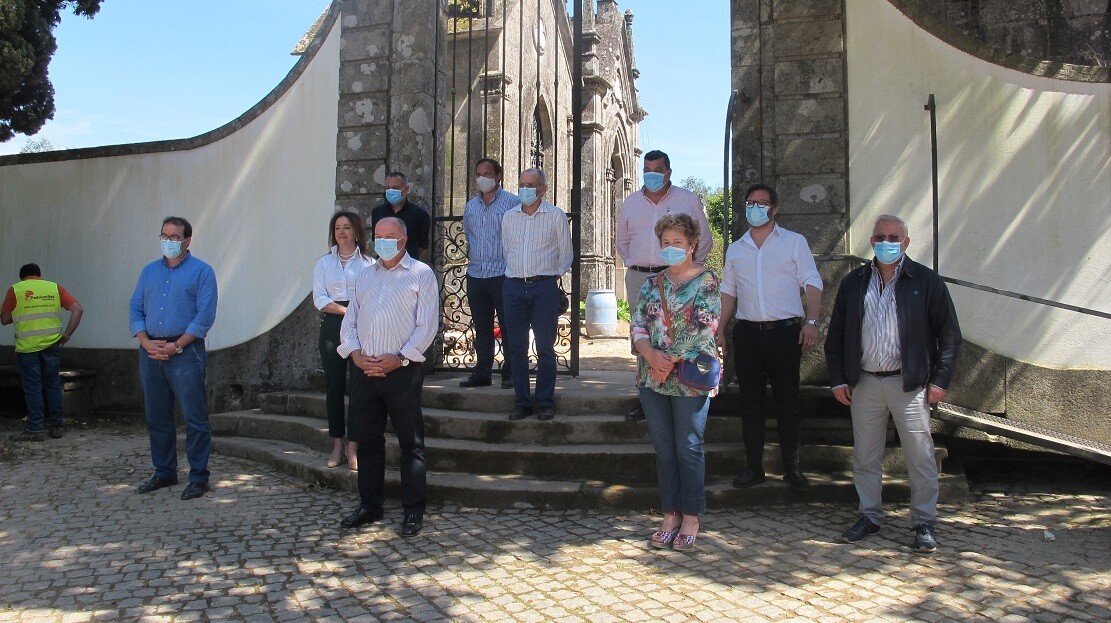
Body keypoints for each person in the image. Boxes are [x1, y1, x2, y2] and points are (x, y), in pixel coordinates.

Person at [825, 215, 962, 552]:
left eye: (894, 237)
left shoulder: (926, 281)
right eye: (881, 237)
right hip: (865, 383)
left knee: (920, 456)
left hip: (909, 384)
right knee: (865, 456)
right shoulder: (854, 282)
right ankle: (869, 516)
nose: (887, 242)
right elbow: (837, 334)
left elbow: (949, 335)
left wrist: (940, 380)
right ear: (872, 242)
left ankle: (924, 522)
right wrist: (838, 378)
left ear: (906, 243)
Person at [717, 183, 822, 492]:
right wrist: (720, 329)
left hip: (785, 334)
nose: (755, 208)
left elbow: (812, 281)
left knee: (788, 402)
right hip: (748, 334)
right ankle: (754, 468)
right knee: (750, 404)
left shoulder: (794, 242)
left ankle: (792, 468)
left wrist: (812, 322)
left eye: (762, 203)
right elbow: (728, 292)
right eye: (750, 202)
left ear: (774, 208)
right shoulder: (736, 249)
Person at [338, 216, 438, 538]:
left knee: (411, 443)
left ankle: (413, 510)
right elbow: (350, 323)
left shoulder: (421, 275)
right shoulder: (365, 276)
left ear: (403, 240)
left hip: (402, 371)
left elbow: (427, 326)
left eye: (389, 236)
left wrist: (400, 358)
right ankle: (370, 505)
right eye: (378, 235)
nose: (381, 241)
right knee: (368, 441)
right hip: (366, 370)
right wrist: (355, 354)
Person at [631, 213, 721, 550]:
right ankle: (670, 513)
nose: (671, 248)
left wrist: (666, 360)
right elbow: (638, 323)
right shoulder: (651, 284)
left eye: (678, 243)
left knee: (689, 446)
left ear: (692, 245)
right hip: (651, 378)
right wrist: (649, 355)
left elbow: (705, 328)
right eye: (666, 243)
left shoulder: (707, 281)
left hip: (689, 378)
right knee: (664, 449)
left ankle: (692, 516)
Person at [616, 149, 713, 422]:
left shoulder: (687, 199)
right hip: (641, 278)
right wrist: (637, 264)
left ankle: (685, 388)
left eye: (657, 171)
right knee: (643, 336)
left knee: (678, 333)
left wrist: (689, 270)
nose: (651, 176)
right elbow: (622, 241)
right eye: (646, 171)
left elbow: (703, 239)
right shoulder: (631, 202)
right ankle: (647, 397)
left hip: (679, 278)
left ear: (668, 172)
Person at [129, 216, 218, 501]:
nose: (168, 242)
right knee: (157, 416)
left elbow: (204, 316)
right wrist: (145, 342)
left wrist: (176, 346)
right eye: (164, 236)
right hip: (151, 351)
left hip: (185, 352)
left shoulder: (202, 272)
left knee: (194, 417)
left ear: (187, 240)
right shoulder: (149, 272)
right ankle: (164, 471)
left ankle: (198, 477)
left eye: (174, 237)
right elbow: (135, 308)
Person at [501, 168, 573, 422]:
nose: (525, 189)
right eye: (522, 184)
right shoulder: (509, 217)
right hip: (513, 287)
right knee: (516, 348)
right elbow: (506, 250)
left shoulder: (555, 216)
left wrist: (548, 277)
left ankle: (544, 401)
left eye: (531, 185)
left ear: (543, 189)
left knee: (545, 347)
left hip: (544, 288)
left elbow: (566, 255)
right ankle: (521, 401)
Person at [313, 211, 373, 471]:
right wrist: (346, 311)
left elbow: (373, 295)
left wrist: (356, 314)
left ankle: (353, 445)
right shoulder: (324, 263)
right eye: (337, 228)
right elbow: (320, 298)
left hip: (361, 326)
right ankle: (337, 442)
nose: (341, 232)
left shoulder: (369, 263)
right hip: (333, 323)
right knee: (334, 385)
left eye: (347, 227)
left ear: (356, 231)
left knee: (359, 386)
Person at [2, 263, 84, 441]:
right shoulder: (55, 288)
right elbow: (78, 310)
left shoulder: (15, 290)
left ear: (22, 277)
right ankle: (57, 426)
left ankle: (35, 429)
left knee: (33, 387)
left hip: (27, 347)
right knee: (53, 384)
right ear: (39, 275)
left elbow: (5, 319)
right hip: (52, 344)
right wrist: (67, 335)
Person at [459, 157, 517, 389]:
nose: (482, 178)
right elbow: (468, 233)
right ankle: (482, 372)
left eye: (487, 173)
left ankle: (510, 372)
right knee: (482, 327)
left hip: (503, 274)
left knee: (508, 325)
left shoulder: (512, 203)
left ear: (498, 176)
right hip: (476, 274)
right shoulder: (471, 206)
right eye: (478, 174)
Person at [370, 171, 432, 262]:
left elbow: (423, 245)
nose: (391, 191)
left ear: (406, 189)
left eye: (395, 188)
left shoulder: (420, 214)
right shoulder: (377, 212)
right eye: (388, 188)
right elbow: (376, 239)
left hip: (408, 265)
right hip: (383, 264)